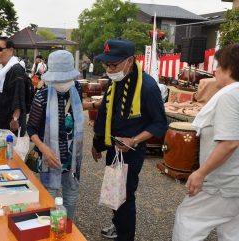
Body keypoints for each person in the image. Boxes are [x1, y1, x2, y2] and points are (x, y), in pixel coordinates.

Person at [91, 39, 167, 241]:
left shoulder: (148, 87)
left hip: (131, 150)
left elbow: (160, 123)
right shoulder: (115, 79)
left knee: (124, 197)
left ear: (130, 61)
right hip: (112, 146)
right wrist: (98, 142)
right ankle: (118, 225)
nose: (108, 69)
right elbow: (108, 110)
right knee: (113, 192)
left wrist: (133, 140)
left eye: (113, 64)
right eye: (106, 64)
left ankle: (125, 236)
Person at [172, 44, 239, 241]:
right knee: (232, 231)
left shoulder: (230, 95)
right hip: (233, 182)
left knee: (188, 220)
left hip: (223, 182)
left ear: (230, 68)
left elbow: (229, 142)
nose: (215, 70)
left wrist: (201, 172)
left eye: (218, 65)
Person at [27, 50, 84, 220]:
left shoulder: (77, 89)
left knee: (71, 197)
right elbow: (31, 128)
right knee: (49, 197)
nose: (63, 82)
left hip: (72, 156)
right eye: (59, 78)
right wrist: (43, 148)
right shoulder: (42, 96)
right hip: (50, 156)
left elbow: (77, 115)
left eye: (66, 78)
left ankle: (68, 229)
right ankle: (49, 230)